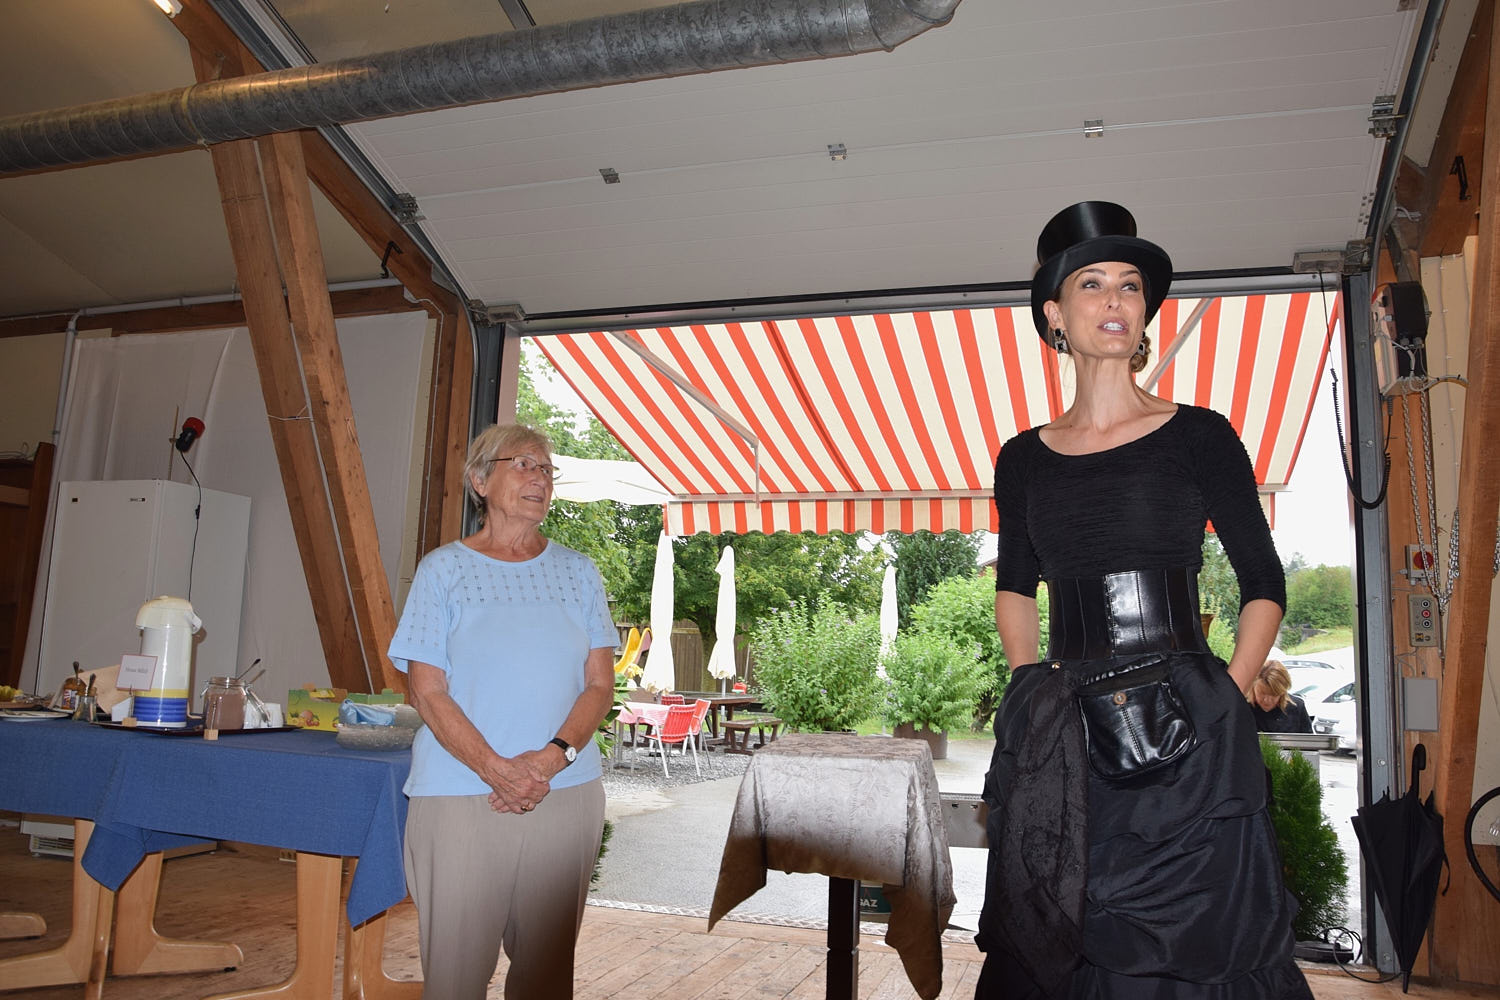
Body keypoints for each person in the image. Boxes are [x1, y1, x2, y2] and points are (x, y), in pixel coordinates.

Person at [975, 202, 1312, 998]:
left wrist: (1227, 694)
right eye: (1092, 284)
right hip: (1064, 729)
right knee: (1058, 921)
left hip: (1189, 728)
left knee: (1193, 942)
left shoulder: (1200, 435)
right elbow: (1015, 585)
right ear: (1055, 313)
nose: (1116, 300)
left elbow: (1264, 582)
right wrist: (1025, 686)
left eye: (1130, 285)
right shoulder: (1022, 458)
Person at [388, 423, 617, 999]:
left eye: (547, 469)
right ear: (480, 481)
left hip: (564, 792)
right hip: (460, 793)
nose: (539, 478)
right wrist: (495, 768)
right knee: (456, 978)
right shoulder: (442, 570)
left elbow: (599, 685)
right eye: (523, 464)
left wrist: (550, 759)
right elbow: (427, 691)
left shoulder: (579, 572)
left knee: (545, 976)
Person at [1249, 660, 1314, 733]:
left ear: (1283, 691)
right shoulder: (1243, 707)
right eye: (1262, 693)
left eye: (1274, 695)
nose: (1267, 700)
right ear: (1253, 687)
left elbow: (1308, 739)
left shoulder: (1297, 707)